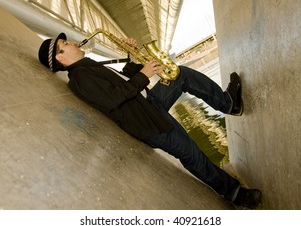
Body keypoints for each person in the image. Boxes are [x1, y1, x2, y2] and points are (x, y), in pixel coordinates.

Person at [38, 32, 262, 209]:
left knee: (180, 74)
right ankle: (235, 193)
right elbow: (113, 99)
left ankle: (229, 104)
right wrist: (144, 74)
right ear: (60, 56)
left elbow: (125, 80)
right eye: (65, 44)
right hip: (147, 122)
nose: (73, 43)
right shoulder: (79, 79)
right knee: (191, 154)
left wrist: (131, 58)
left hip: (148, 103)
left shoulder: (87, 66)